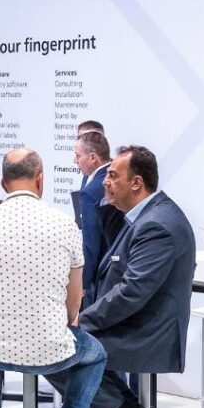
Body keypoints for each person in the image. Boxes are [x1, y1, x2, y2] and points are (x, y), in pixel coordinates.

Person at [0, 148, 112, 408]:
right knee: (95, 354)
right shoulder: (65, 225)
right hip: (51, 350)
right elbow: (74, 302)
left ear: (3, 184)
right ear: (40, 180)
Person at [79, 145, 195, 408]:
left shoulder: (157, 224)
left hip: (146, 333)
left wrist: (83, 320)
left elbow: (132, 291)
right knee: (64, 339)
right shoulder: (143, 216)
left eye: (112, 176)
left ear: (136, 183)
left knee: (61, 345)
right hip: (135, 323)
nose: (105, 182)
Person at [74, 129, 125, 302]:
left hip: (100, 276)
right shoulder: (119, 179)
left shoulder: (90, 192)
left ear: (92, 158)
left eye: (78, 155)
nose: (75, 161)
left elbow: (91, 244)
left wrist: (82, 285)